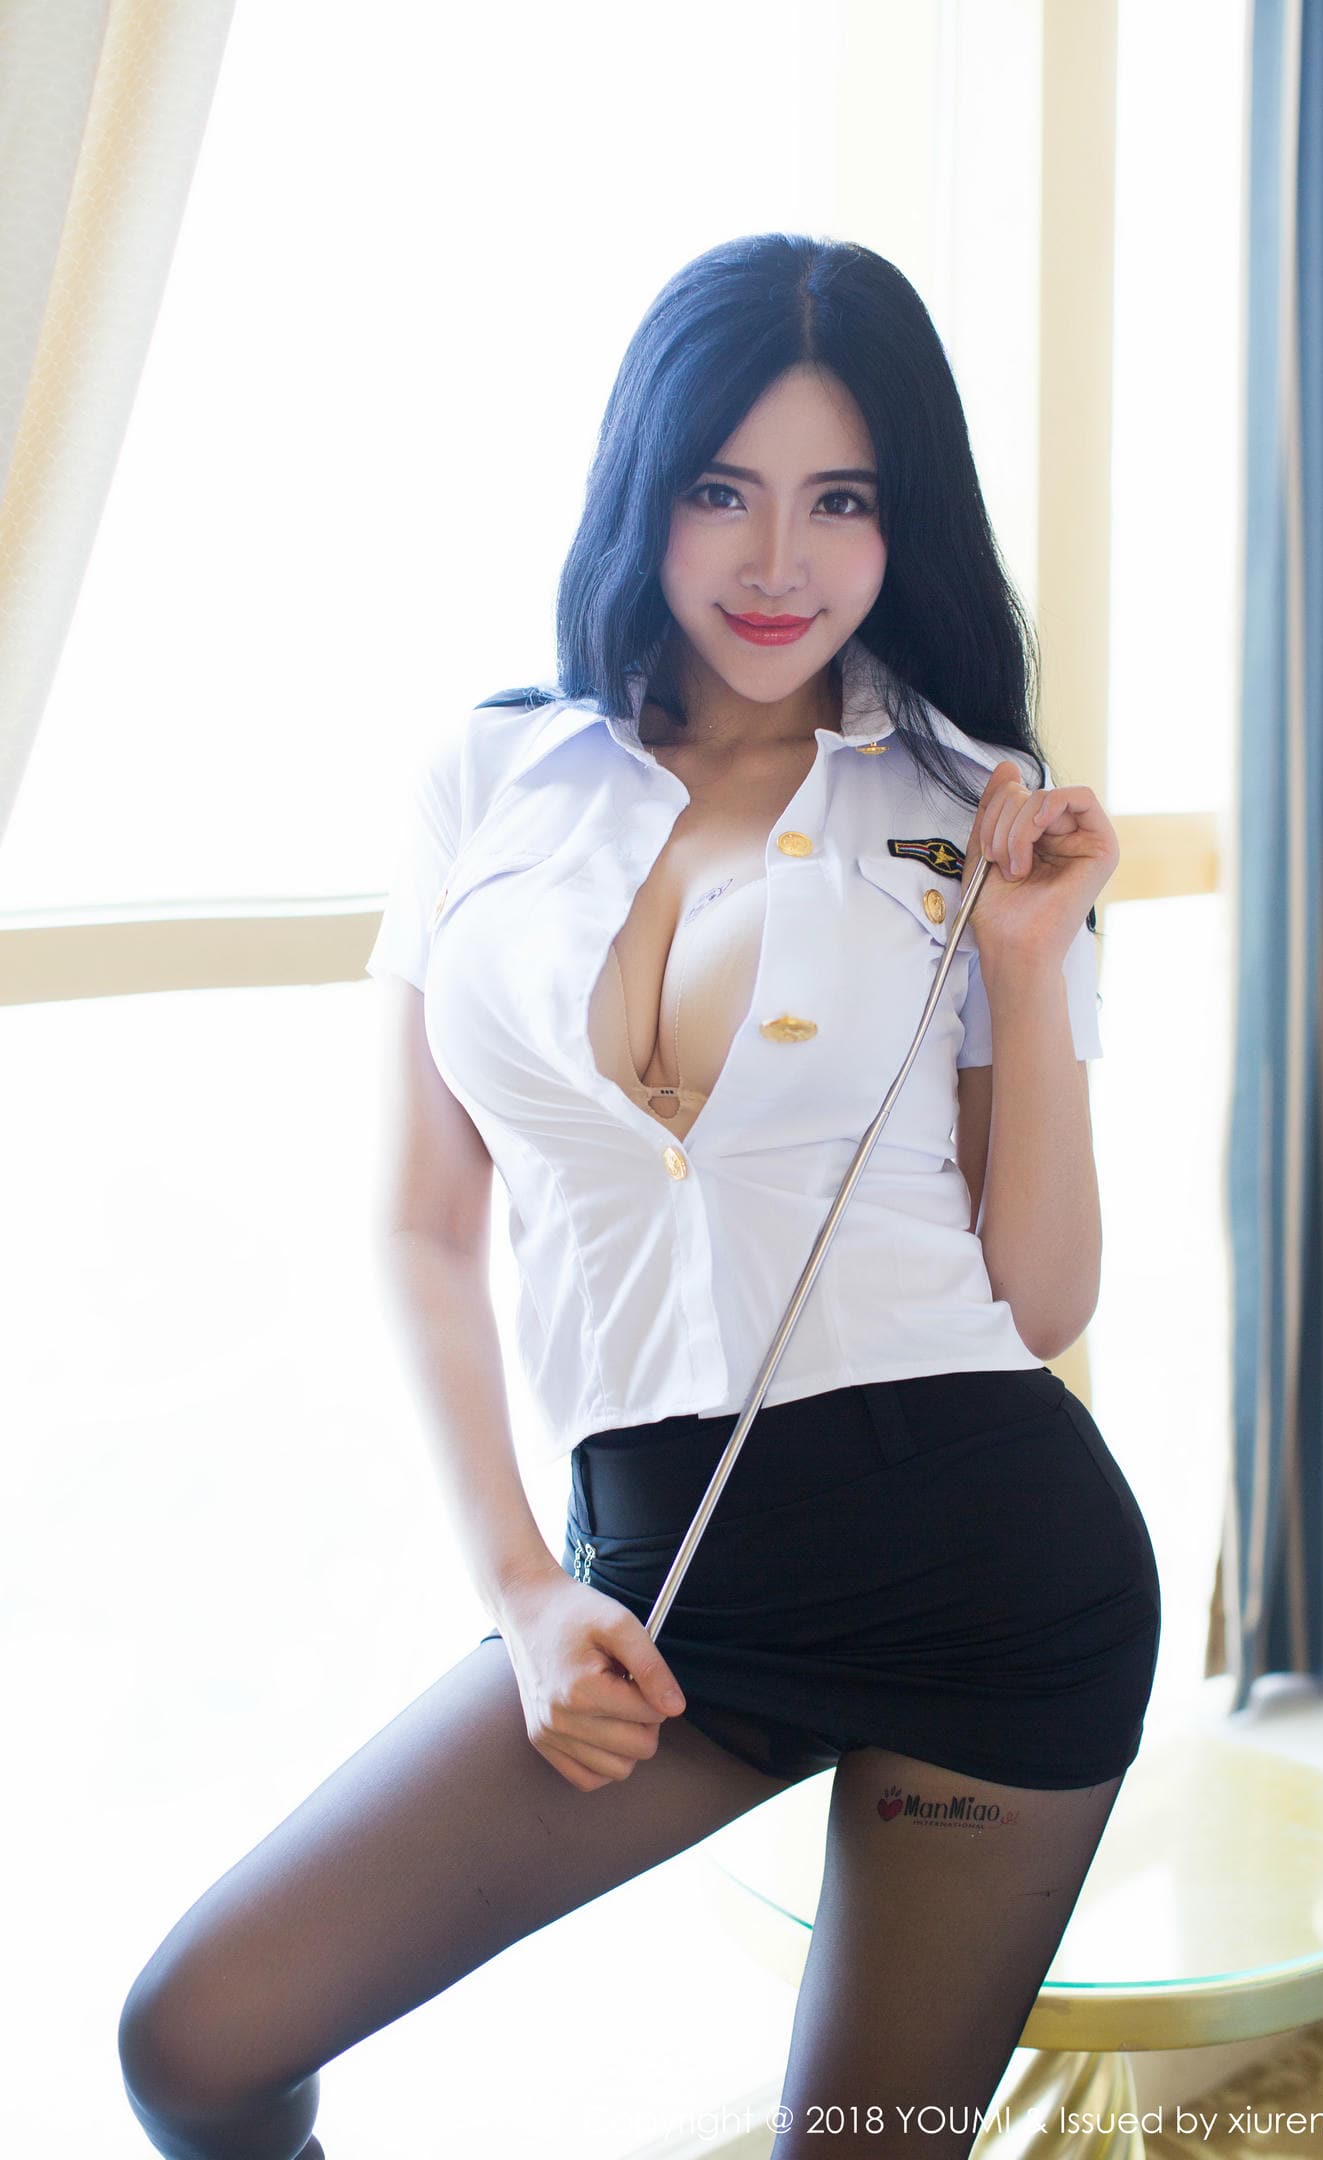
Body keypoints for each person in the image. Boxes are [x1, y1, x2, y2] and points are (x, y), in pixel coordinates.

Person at [116, 232, 1160, 2160]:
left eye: (843, 500)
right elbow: (424, 1223)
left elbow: (1040, 1301)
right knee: (200, 2040)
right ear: (643, 487)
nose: (779, 562)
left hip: (991, 1575)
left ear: (903, 519)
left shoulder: (975, 805)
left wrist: (1028, 966)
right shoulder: (492, 777)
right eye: (722, 489)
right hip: (658, 1593)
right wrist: (522, 1588)